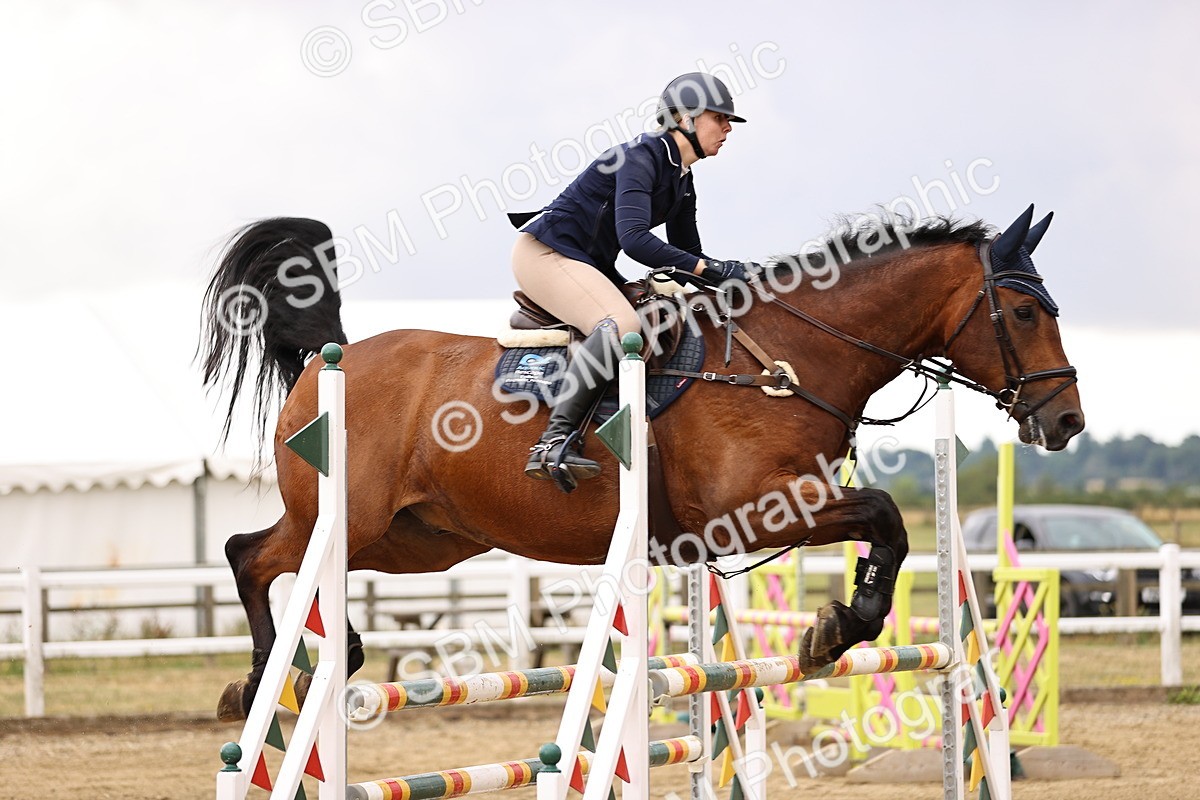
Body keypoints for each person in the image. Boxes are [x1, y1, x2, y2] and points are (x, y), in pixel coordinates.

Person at [512, 72, 755, 488]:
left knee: (671, 311)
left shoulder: (683, 178)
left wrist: (739, 279)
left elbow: (688, 257)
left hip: (589, 264)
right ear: (684, 119)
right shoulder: (639, 158)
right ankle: (552, 443)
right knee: (621, 327)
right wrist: (711, 270)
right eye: (720, 118)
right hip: (546, 254)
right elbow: (636, 240)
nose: (728, 129)